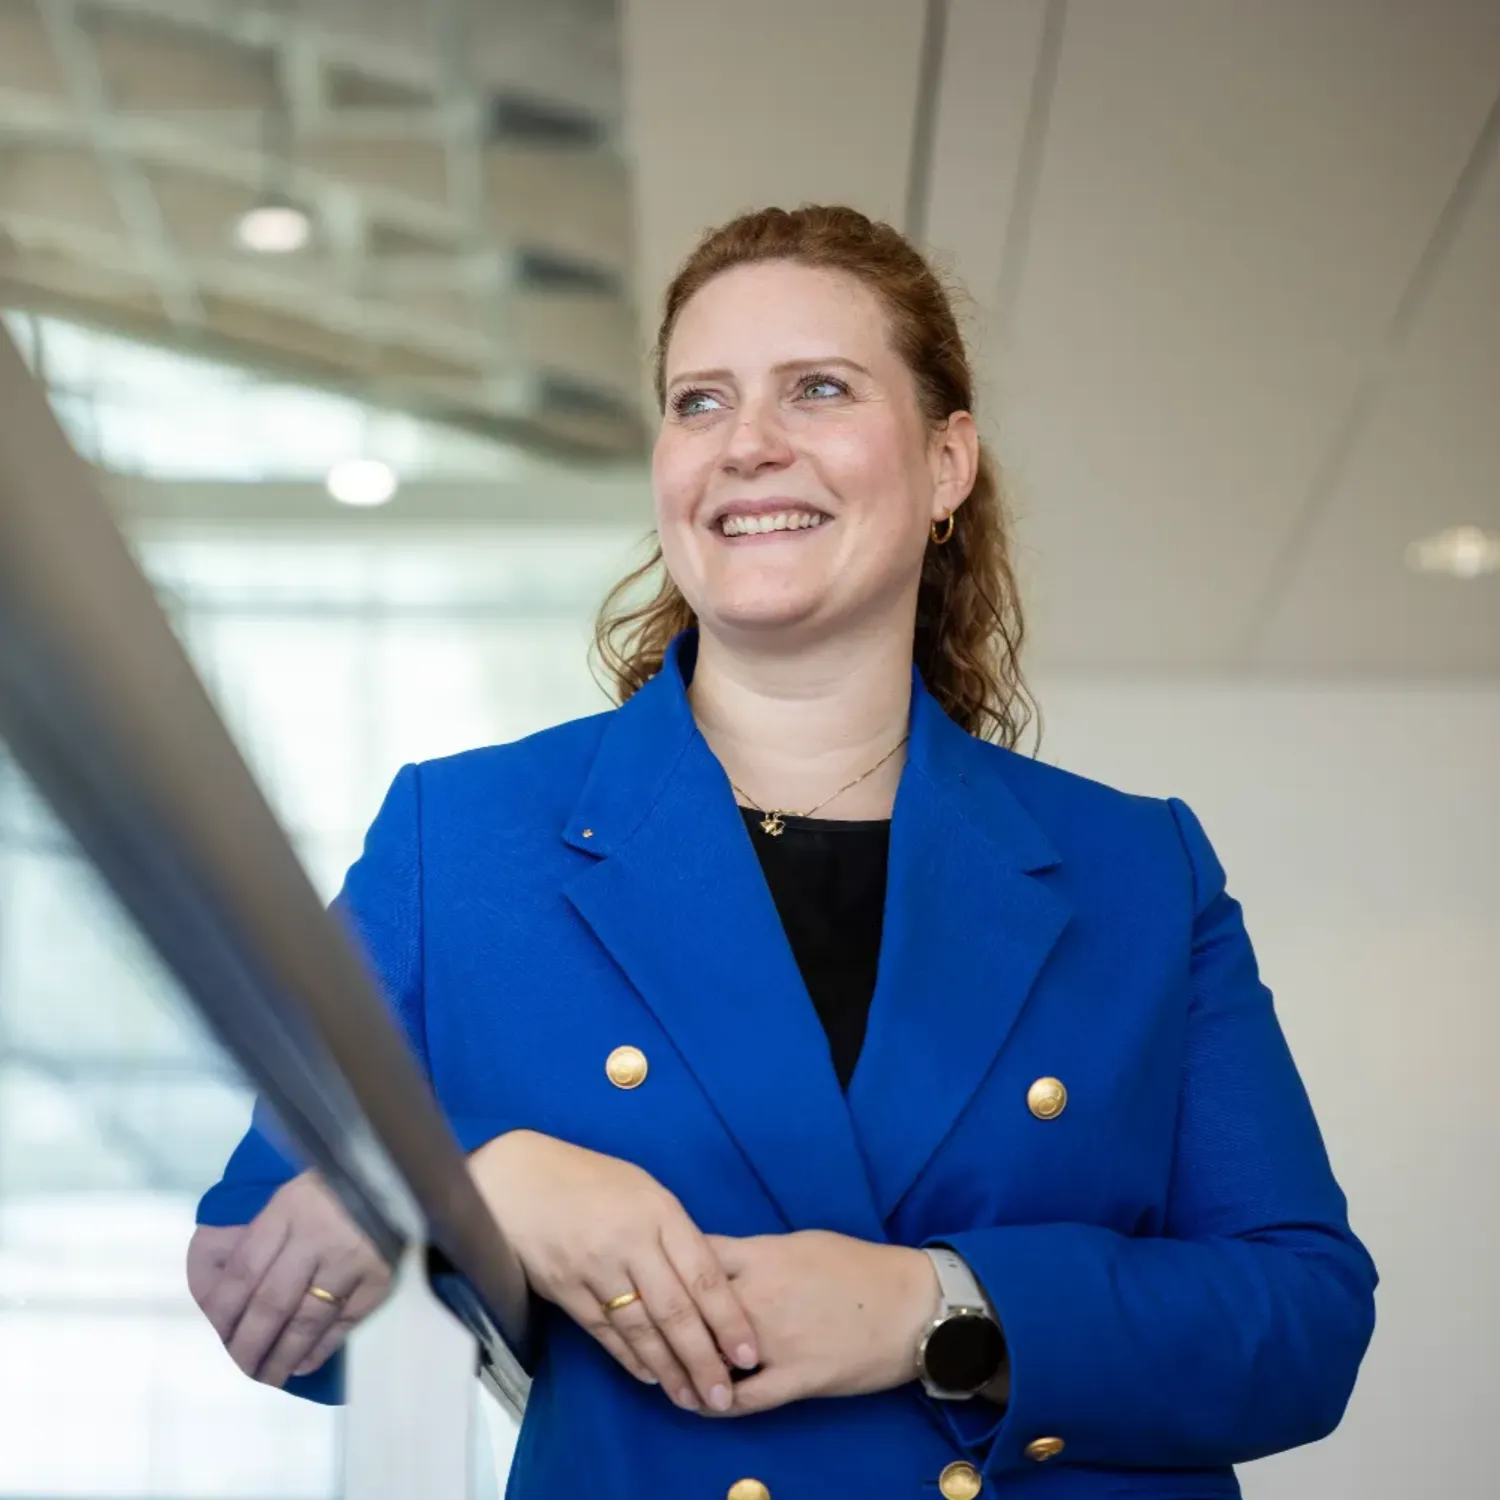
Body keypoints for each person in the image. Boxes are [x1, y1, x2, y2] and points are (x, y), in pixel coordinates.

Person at [188, 205, 1377, 1499]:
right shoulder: (461, 838)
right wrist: (485, 1184)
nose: (747, 442)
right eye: (699, 401)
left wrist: (931, 1308)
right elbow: (251, 1271)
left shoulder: (1139, 869)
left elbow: (1306, 1320)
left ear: (947, 462)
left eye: (819, 388)